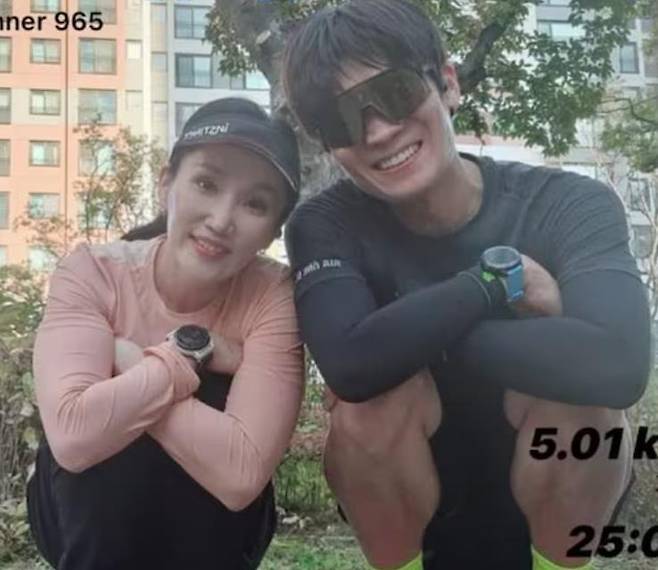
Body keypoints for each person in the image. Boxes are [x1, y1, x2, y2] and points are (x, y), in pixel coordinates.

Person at [281, 2, 651, 569]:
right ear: (328, 145)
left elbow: (620, 367)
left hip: (556, 494)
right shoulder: (325, 224)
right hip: (412, 502)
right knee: (368, 408)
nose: (378, 131)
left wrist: (407, 340)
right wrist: (490, 288)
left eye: (395, 92)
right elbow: (352, 369)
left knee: (582, 399)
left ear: (447, 84)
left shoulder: (566, 204)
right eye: (340, 121)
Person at [26, 97, 305, 570]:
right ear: (165, 184)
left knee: (154, 398)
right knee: (116, 426)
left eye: (255, 204)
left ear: (273, 232)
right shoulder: (94, 271)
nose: (221, 219)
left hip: (216, 532)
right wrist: (189, 357)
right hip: (78, 516)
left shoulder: (272, 294)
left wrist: (134, 360)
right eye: (206, 184)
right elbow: (74, 437)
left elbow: (241, 474)